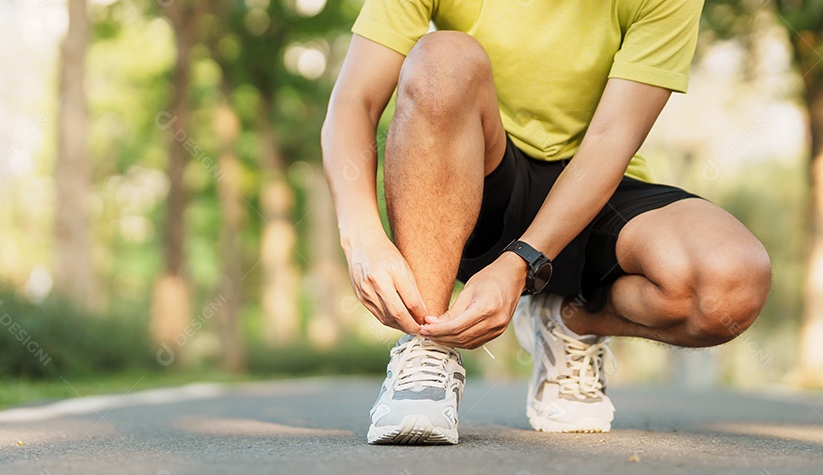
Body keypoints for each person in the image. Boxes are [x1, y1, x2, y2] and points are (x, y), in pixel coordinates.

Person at [321, 0, 772, 444]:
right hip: (478, 173)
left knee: (730, 283)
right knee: (443, 57)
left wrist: (521, 261)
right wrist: (359, 231)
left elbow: (610, 139)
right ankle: (427, 348)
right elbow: (355, 101)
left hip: (595, 179)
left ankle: (568, 320)